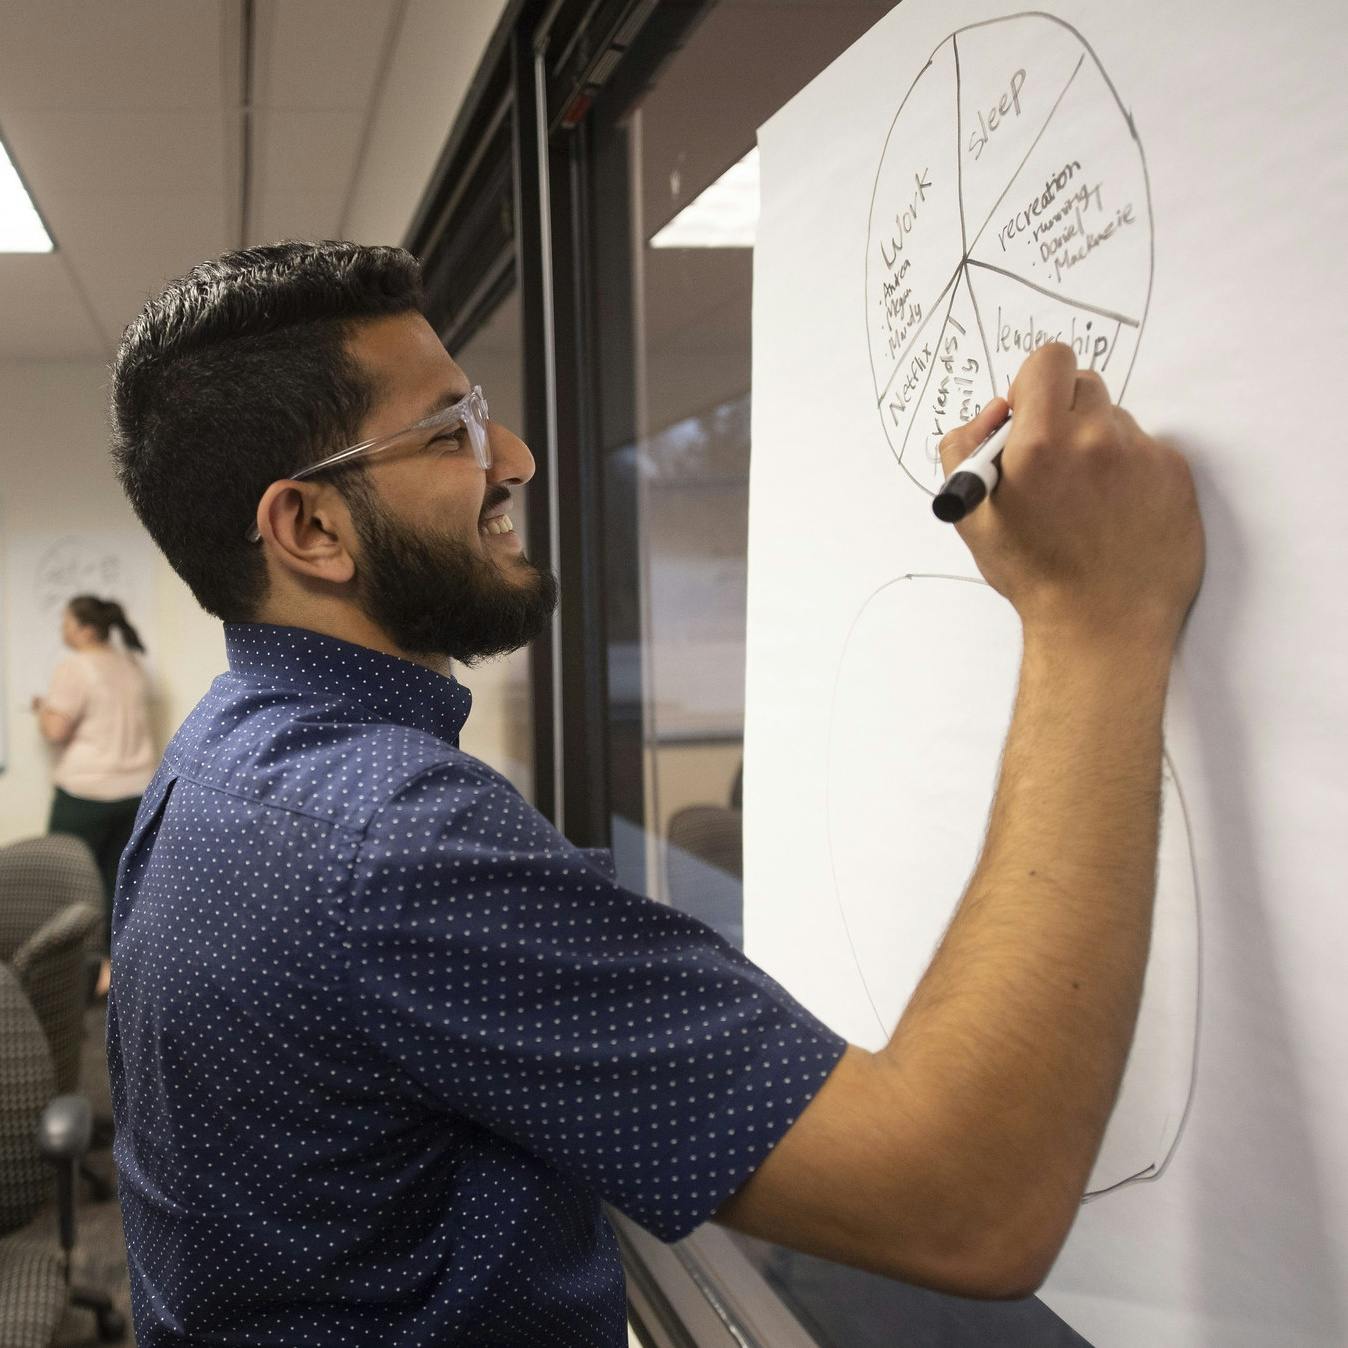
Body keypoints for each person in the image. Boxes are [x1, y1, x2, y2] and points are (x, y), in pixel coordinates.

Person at [106, 242, 1202, 1348]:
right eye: (449, 434)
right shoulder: (389, 840)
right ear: (310, 529)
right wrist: (1094, 617)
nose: (516, 459)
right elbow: (967, 1201)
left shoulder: (219, 756)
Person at [33, 594, 155, 996]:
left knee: (62, 886)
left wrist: (44, 710)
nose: (62, 630)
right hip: (135, 793)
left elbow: (55, 731)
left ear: (86, 629)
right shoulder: (129, 664)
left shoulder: (76, 666)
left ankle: (62, 983)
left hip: (86, 796)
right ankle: (110, 972)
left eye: (66, 623)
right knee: (116, 884)